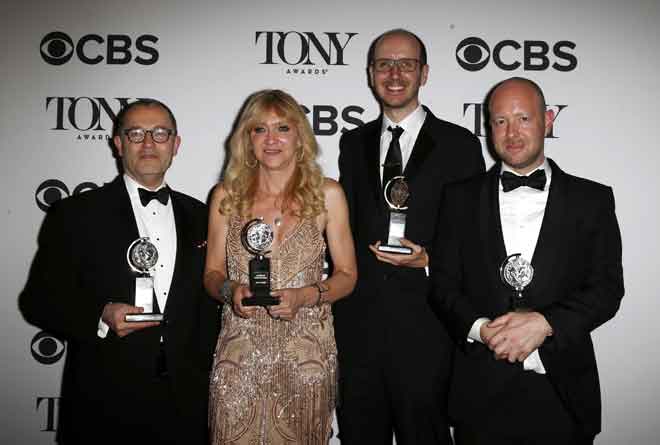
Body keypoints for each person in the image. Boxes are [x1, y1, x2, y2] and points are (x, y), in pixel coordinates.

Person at [430, 77, 624, 444]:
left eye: (523, 118)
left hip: (562, 389)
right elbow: (442, 286)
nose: (512, 132)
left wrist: (546, 323)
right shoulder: (459, 199)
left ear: (548, 120)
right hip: (479, 391)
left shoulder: (592, 200)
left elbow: (607, 288)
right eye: (500, 121)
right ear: (489, 128)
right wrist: (481, 329)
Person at [19, 99, 219, 444]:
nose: (148, 144)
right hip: (104, 402)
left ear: (176, 144)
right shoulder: (76, 214)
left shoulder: (204, 216)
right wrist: (100, 314)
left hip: (187, 406)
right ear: (118, 143)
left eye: (159, 134)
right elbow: (38, 300)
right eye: (136, 133)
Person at [335, 29, 485, 444]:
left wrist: (429, 260)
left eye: (407, 64)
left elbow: (477, 236)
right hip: (358, 330)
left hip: (428, 330)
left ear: (424, 73)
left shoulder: (459, 144)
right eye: (384, 64)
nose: (395, 73)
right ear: (370, 74)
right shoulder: (353, 142)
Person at [204, 89, 357, 445]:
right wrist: (230, 291)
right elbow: (211, 274)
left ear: (300, 137)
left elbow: (347, 275)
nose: (271, 139)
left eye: (283, 128)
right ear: (247, 139)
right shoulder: (226, 196)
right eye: (259, 129)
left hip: (304, 356)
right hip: (239, 355)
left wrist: (307, 295)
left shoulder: (327, 195)